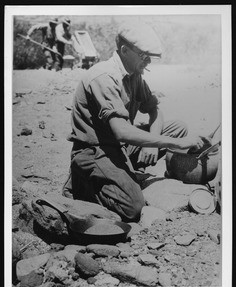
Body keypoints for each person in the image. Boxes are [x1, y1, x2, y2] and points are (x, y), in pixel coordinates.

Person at [63, 21, 209, 222]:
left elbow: (154, 110)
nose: (148, 61)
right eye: (144, 56)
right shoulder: (104, 77)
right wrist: (175, 143)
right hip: (95, 150)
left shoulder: (134, 76)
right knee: (133, 207)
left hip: (121, 146)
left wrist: (153, 143)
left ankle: (126, 173)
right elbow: (122, 131)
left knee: (178, 127)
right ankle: (83, 183)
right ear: (124, 50)